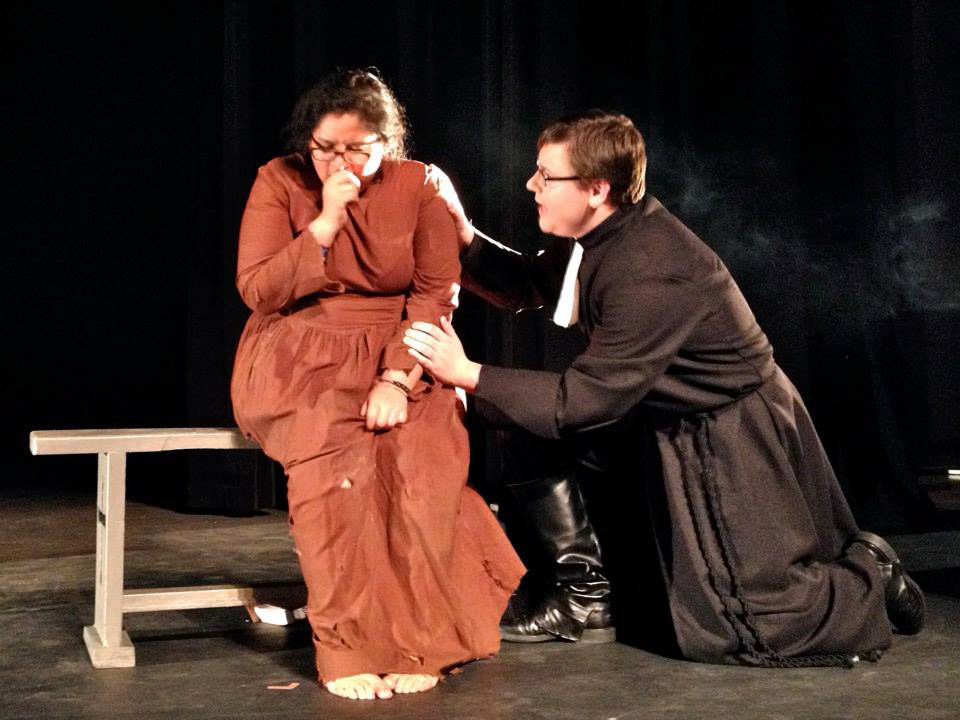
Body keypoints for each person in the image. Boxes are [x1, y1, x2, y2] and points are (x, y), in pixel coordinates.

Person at [404, 111, 925, 666]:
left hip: (729, 435)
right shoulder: (600, 232)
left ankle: (872, 572)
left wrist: (468, 372)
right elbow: (532, 285)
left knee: (754, 623)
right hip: (657, 416)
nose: (532, 185)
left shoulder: (651, 265)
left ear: (597, 189)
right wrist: (463, 234)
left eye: (546, 176)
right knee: (516, 416)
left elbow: (584, 399)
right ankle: (583, 597)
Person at [230, 69, 524, 700]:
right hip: (298, 354)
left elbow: (435, 293)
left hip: (403, 347)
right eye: (325, 148)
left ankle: (417, 642)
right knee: (335, 479)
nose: (338, 162)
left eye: (356, 149)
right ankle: (347, 648)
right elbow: (259, 290)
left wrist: (396, 377)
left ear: (385, 143)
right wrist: (324, 224)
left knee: (421, 472)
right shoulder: (278, 180)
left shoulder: (420, 185)